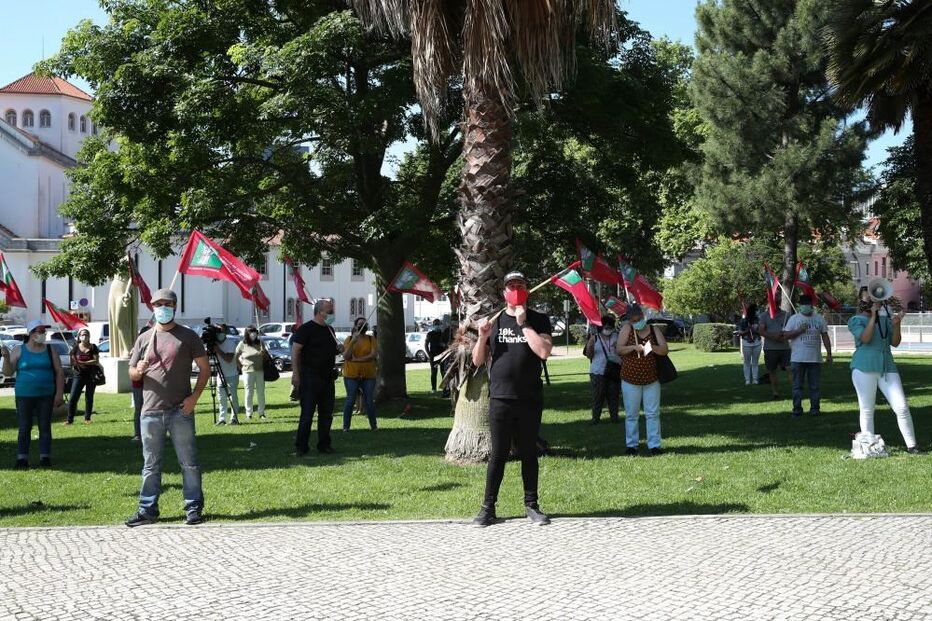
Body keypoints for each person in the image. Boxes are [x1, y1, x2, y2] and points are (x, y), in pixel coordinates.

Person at [471, 271, 553, 527]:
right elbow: (477, 360)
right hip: (500, 399)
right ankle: (488, 507)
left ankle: (532, 505)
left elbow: (543, 351)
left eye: (520, 285)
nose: (515, 289)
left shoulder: (538, 319)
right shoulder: (494, 321)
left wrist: (524, 324)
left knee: (528, 452)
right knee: (498, 454)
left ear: (527, 290)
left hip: (529, 398)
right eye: (511, 286)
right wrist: (483, 336)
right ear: (503, 292)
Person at [125, 288, 211, 527]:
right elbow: (131, 372)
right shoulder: (144, 337)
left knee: (189, 462)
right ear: (152, 308)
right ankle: (147, 510)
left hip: (179, 411)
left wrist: (194, 398)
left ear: (174, 306)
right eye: (158, 304)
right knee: (150, 464)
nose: (162, 307)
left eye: (166, 303)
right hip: (150, 411)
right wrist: (138, 370)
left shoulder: (188, 336)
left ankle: (193, 508)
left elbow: (205, 369)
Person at [848, 290, 920, 453]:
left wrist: (896, 325)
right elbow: (865, 339)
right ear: (861, 302)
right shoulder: (855, 320)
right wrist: (873, 317)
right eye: (869, 299)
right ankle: (869, 447)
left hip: (887, 367)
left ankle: (912, 446)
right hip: (864, 367)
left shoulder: (884, 320)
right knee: (867, 409)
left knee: (902, 407)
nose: (874, 302)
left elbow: (895, 342)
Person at [2, 320, 65, 469]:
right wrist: (5, 358)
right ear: (31, 333)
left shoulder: (50, 350)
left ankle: (45, 458)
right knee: (24, 427)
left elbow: (59, 373)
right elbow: (8, 372)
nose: (43, 334)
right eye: (40, 331)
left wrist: (59, 394)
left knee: (44, 426)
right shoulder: (19, 350)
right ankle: (22, 459)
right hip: (24, 395)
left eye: (44, 331)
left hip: (46, 395)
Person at [616, 304, 669, 456]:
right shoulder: (626, 329)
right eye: (633, 319)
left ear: (642, 315)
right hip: (630, 378)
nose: (637, 321)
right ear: (629, 318)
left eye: (639, 317)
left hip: (651, 378)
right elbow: (619, 349)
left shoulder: (653, 329)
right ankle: (632, 445)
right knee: (632, 414)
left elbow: (664, 350)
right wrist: (634, 347)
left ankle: (654, 445)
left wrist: (651, 347)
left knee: (652, 413)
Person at [292, 298, 340, 456]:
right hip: (310, 377)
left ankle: (324, 444)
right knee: (307, 415)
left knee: (326, 414)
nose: (332, 313)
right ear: (321, 312)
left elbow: (334, 352)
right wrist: (296, 373)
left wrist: (341, 348)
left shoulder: (330, 330)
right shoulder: (306, 329)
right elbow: (296, 351)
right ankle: (301, 447)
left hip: (327, 378)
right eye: (330, 311)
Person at [782, 294, 832, 417]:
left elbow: (825, 336)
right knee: (797, 386)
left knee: (814, 386)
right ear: (800, 306)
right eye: (804, 304)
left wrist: (829, 353)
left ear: (812, 305)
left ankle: (815, 409)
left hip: (815, 358)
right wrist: (798, 331)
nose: (806, 306)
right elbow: (785, 335)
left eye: (808, 304)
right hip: (798, 358)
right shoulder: (794, 319)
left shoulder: (819, 318)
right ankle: (797, 409)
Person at [341, 316, 378, 431]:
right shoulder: (349, 339)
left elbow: (372, 356)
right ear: (355, 326)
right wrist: (353, 342)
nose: (363, 326)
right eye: (360, 324)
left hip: (369, 375)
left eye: (364, 324)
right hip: (351, 375)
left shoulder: (371, 339)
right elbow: (346, 356)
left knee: (369, 401)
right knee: (350, 400)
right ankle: (346, 427)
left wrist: (356, 360)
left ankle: (374, 426)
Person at [583, 314, 620, 425]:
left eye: (610, 327)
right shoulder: (594, 338)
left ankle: (614, 418)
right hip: (598, 371)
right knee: (598, 396)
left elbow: (621, 352)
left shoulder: (616, 337)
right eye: (605, 327)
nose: (607, 329)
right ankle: (595, 419)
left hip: (613, 370)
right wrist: (590, 346)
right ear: (601, 327)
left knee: (614, 395)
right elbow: (589, 355)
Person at [66, 327, 100, 425]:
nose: (84, 336)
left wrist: (82, 362)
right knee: (73, 398)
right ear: (79, 336)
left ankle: (87, 418)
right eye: (82, 335)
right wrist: (70, 356)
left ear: (89, 336)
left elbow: (95, 361)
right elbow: (72, 363)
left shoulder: (93, 347)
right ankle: (69, 419)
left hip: (91, 375)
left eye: (86, 335)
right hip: (78, 375)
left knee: (89, 397)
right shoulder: (75, 348)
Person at [757, 306, 792, 400]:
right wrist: (774, 337)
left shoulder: (786, 315)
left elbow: (790, 330)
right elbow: (761, 331)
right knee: (772, 371)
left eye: (777, 298)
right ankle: (775, 393)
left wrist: (783, 336)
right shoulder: (763, 316)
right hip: (770, 349)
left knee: (790, 369)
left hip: (785, 348)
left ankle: (795, 391)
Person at [211, 323, 240, 425]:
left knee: (233, 397)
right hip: (220, 375)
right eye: (217, 331)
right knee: (221, 398)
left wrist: (218, 350)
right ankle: (222, 419)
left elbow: (228, 359)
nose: (219, 333)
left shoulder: (230, 343)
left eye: (221, 331)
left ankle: (234, 418)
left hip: (232, 375)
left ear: (225, 332)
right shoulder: (214, 344)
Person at [235, 326, 267, 420]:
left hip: (260, 370)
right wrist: (241, 367)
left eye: (254, 332)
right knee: (249, 392)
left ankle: (261, 413)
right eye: (251, 332)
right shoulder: (242, 344)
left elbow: (265, 356)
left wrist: (263, 351)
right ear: (247, 334)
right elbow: (236, 356)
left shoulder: (260, 342)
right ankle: (249, 413)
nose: (253, 334)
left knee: (261, 392)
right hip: (247, 371)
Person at [737, 304, 762, 386]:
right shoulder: (744, 321)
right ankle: (747, 380)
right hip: (747, 344)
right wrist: (747, 330)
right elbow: (739, 332)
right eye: (756, 310)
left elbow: (762, 331)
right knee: (747, 362)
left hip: (757, 343)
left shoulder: (759, 320)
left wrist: (756, 330)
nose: (758, 311)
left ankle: (755, 379)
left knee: (755, 362)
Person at [425, 319, 447, 392]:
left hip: (442, 355)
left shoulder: (443, 334)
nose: (437, 326)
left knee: (443, 372)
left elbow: (446, 345)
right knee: (434, 372)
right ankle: (433, 388)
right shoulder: (430, 334)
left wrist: (444, 345)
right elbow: (426, 344)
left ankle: (444, 388)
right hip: (433, 356)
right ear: (433, 325)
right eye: (436, 324)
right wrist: (429, 354)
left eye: (438, 324)